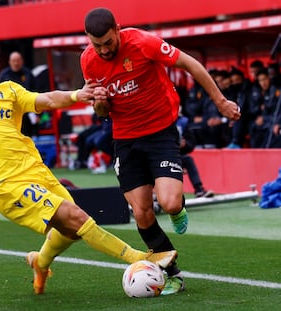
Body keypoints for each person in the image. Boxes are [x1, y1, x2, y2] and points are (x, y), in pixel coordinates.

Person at [0, 34, 176, 295]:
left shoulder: (9, 90)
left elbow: (47, 100)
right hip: (5, 186)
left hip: (38, 173)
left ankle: (39, 263)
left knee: (70, 231)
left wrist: (78, 94)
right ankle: (140, 258)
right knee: (77, 218)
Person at [81, 8, 240, 295]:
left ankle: (178, 208)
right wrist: (100, 102)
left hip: (159, 132)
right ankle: (172, 273)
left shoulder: (144, 43)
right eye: (97, 44)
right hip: (125, 139)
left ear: (117, 29)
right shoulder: (88, 61)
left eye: (108, 42)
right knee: (141, 212)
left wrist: (220, 102)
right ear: (88, 39)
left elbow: (191, 64)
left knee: (169, 203)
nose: (104, 50)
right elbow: (102, 112)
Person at [0, 51, 38, 137]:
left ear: (22, 61)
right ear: (9, 62)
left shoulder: (28, 74)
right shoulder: (3, 75)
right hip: (10, 112)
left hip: (27, 112)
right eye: (13, 61)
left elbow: (35, 91)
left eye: (18, 60)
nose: (16, 63)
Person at [176, 114, 214, 198]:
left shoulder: (183, 122)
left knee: (188, 159)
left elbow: (191, 143)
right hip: (160, 157)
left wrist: (185, 145)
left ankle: (199, 189)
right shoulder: (161, 122)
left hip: (176, 156)